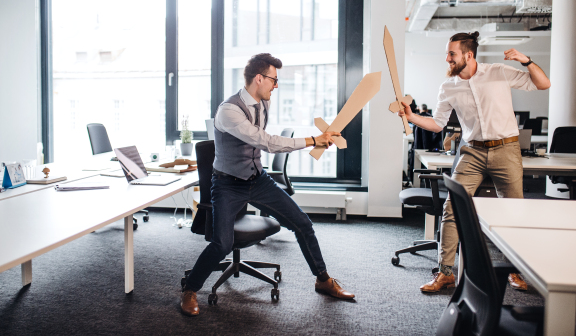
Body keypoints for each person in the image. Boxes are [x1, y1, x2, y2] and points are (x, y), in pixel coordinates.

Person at [180, 53, 355, 316]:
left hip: (257, 179)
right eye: (274, 80)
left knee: (303, 224)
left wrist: (317, 139)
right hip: (227, 184)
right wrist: (312, 140)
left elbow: (262, 144)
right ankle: (190, 290)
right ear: (258, 78)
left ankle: (323, 280)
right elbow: (265, 141)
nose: (276, 85)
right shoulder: (228, 110)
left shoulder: (263, 103)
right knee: (222, 244)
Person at [398, 32, 550, 293]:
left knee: (514, 212)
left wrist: (526, 61)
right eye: (447, 54)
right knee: (452, 208)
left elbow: (543, 84)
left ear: (468, 55)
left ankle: (516, 271)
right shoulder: (448, 87)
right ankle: (445, 272)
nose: (447, 59)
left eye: (451, 54)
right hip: (472, 152)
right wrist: (411, 117)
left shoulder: (498, 72)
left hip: (506, 149)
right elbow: (437, 124)